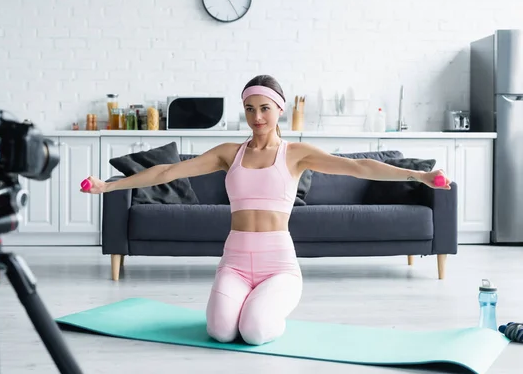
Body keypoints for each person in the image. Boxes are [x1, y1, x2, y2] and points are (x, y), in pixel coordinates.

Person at [80, 74, 452, 346]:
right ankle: (245, 305)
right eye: (249, 109)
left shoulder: (296, 154)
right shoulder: (229, 153)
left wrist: (419, 175)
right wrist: (108, 186)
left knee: (254, 331)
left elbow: (360, 167)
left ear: (279, 109)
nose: (257, 117)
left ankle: (269, 311)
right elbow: (166, 171)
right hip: (235, 262)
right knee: (221, 331)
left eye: (264, 108)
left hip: (279, 266)